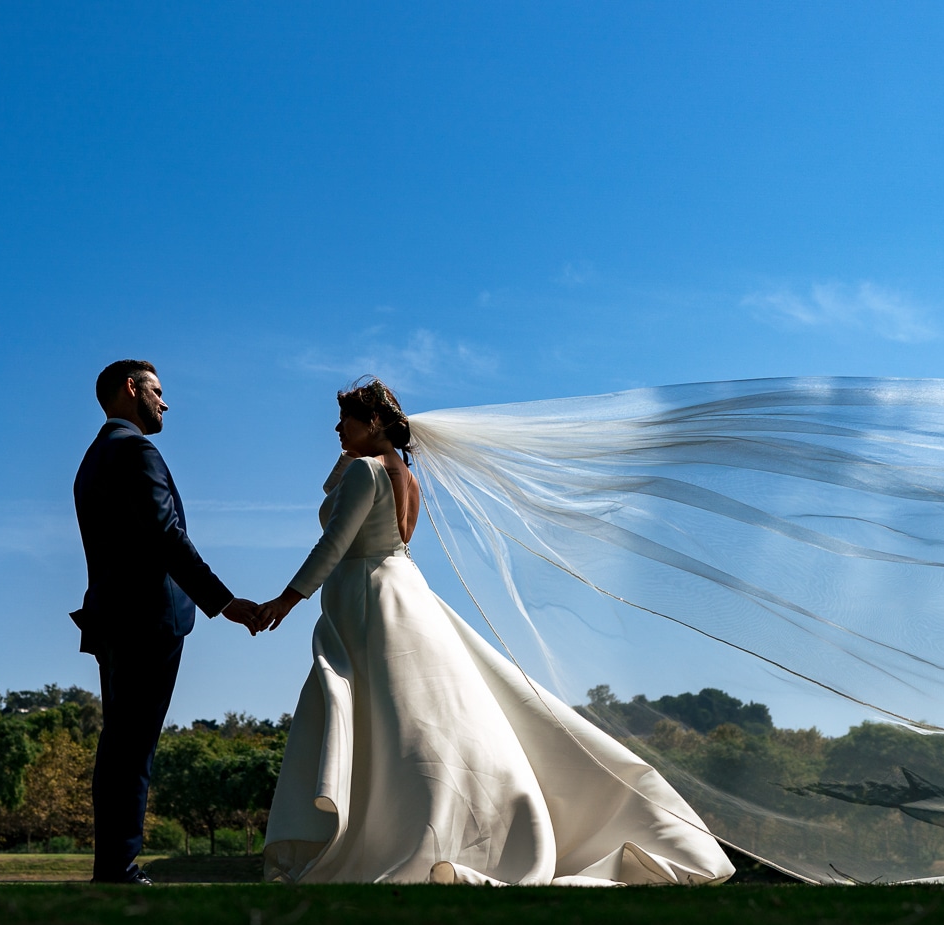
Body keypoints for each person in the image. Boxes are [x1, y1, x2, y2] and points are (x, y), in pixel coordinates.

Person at [253, 379, 734, 886]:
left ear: (373, 421)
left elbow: (335, 543)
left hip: (368, 597)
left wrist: (286, 600)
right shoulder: (404, 476)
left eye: (345, 419)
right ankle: (412, 830)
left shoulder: (368, 472)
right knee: (409, 720)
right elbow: (375, 523)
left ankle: (390, 838)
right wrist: (355, 450)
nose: (336, 429)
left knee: (382, 717)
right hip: (403, 588)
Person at [73, 360, 260, 885]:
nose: (165, 402)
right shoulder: (135, 450)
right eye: (157, 391)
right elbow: (165, 535)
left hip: (112, 617)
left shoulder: (92, 459)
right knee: (133, 748)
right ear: (131, 390)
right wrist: (223, 601)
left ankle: (112, 863)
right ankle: (119, 867)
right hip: (145, 618)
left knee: (121, 744)